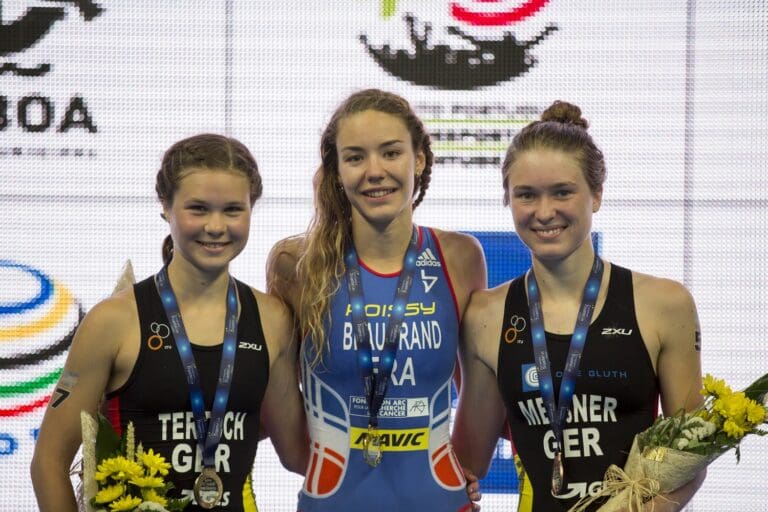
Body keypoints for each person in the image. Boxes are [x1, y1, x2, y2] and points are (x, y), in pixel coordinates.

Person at [31, 134, 308, 512]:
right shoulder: (113, 321)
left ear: (251, 209)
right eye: (198, 209)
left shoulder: (272, 319)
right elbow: (48, 462)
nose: (215, 226)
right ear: (166, 206)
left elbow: (298, 454)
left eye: (232, 210)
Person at [451, 101, 706, 511]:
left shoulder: (664, 304)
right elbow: (466, 464)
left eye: (563, 192)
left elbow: (691, 459)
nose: (544, 212)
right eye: (526, 195)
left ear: (597, 195)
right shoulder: (486, 316)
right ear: (508, 200)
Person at [267, 89, 486, 511]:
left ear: (418, 159)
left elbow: (477, 401)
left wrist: (454, 468)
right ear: (336, 171)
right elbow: (291, 442)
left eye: (390, 153)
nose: (375, 171)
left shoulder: (459, 257)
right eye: (355, 157)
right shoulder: (296, 264)